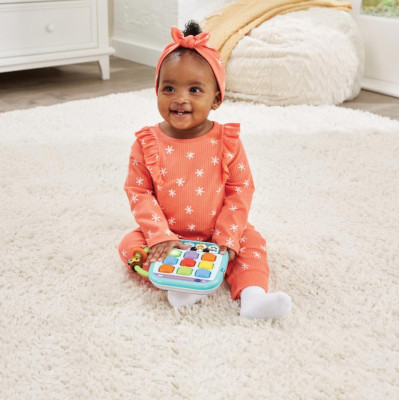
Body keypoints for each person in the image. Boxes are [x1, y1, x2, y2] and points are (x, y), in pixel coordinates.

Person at [118, 21, 291, 319]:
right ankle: (181, 284)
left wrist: (228, 236)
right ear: (156, 91)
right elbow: (138, 192)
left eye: (195, 89)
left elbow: (241, 190)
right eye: (168, 88)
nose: (180, 98)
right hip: (170, 233)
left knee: (252, 242)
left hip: (216, 232)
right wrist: (159, 235)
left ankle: (253, 297)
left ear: (216, 99)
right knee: (129, 245)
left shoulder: (227, 142)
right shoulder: (147, 142)